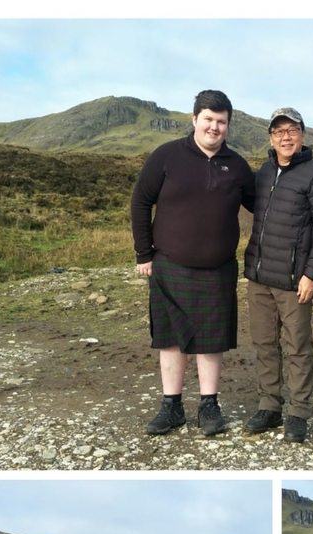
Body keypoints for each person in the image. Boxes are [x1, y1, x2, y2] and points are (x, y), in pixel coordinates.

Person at [131, 90, 255, 438]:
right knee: (170, 339)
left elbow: (262, 205)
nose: (214, 127)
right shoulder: (166, 156)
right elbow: (140, 201)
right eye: (208, 119)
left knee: (211, 340)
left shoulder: (237, 166)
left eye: (221, 122)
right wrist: (143, 253)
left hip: (219, 268)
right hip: (169, 264)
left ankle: (208, 405)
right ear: (195, 119)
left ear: (228, 125)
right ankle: (171, 407)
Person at [243, 108, 313, 444]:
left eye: (292, 130)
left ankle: (298, 412)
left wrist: (312, 274)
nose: (285, 137)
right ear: (271, 138)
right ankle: (269, 405)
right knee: (264, 344)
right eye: (279, 131)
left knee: (297, 346)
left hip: (294, 280)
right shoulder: (264, 173)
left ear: (303, 135)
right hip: (259, 277)